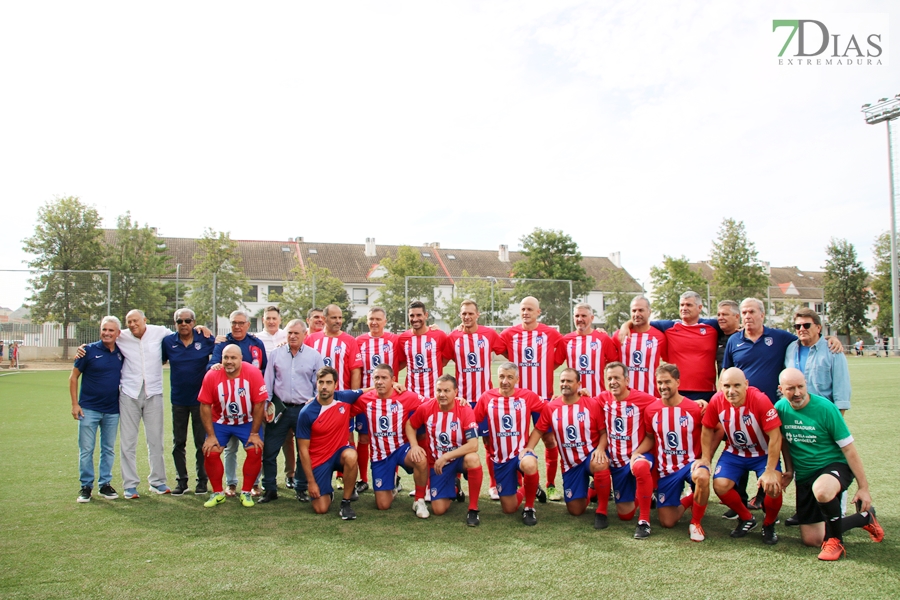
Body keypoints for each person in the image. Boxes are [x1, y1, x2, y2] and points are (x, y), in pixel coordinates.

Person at [775, 368, 884, 560]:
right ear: (781, 389)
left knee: (822, 489)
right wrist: (790, 470)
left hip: (834, 466)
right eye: (791, 388)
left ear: (806, 385)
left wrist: (863, 487)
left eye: (801, 386)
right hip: (805, 475)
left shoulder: (826, 408)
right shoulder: (781, 409)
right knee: (813, 540)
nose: (798, 392)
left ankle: (835, 542)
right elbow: (784, 442)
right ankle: (864, 517)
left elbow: (849, 449)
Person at [696, 367, 783, 545]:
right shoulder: (717, 400)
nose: (731, 391)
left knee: (773, 486)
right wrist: (706, 458)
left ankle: (769, 523)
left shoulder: (760, 399)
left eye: (737, 385)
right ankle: (746, 518)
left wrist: (770, 470)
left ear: (746, 385)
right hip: (735, 452)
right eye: (726, 386)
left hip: (762, 453)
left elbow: (775, 436)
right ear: (721, 386)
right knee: (720, 486)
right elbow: (707, 428)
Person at [632, 364, 710, 541]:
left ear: (678, 382)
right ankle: (692, 497)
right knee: (668, 521)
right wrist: (636, 453)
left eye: (667, 382)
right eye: (659, 382)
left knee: (703, 478)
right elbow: (650, 438)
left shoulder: (695, 408)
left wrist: (706, 457)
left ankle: (696, 522)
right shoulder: (651, 410)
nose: (663, 386)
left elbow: (716, 430)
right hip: (666, 469)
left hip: (690, 464)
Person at [523, 368, 607, 528]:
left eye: (569, 381)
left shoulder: (591, 403)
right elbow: (539, 430)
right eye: (562, 381)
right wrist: (529, 448)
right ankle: (592, 490)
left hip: (590, 457)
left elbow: (604, 432)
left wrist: (601, 449)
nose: (565, 384)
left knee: (600, 463)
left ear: (579, 384)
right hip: (571, 465)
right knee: (576, 510)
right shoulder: (551, 407)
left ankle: (602, 510)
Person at [499, 296, 563, 501]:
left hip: (542, 399)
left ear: (538, 312)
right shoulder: (509, 334)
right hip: (516, 400)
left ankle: (551, 485)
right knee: (514, 441)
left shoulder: (551, 334)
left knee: (549, 439)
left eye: (529, 309)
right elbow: (497, 347)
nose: (525, 312)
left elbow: (559, 357)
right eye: (523, 309)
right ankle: (519, 483)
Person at [442, 299, 507, 500]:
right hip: (461, 400)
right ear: (460, 316)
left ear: (477, 314)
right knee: (458, 442)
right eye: (464, 314)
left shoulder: (489, 334)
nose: (467, 317)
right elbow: (442, 360)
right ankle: (456, 485)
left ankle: (494, 485)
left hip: (485, 400)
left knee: (489, 441)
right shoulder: (453, 337)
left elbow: (507, 351)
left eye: (471, 313)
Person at [258, 319, 325, 504]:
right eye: (289, 333)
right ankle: (270, 488)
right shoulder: (276, 354)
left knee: (304, 451)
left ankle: (301, 487)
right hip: (280, 409)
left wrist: (314, 407)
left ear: (305, 334)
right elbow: (268, 383)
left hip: (304, 409)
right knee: (270, 450)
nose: (293, 336)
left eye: (296, 333)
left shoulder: (314, 356)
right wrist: (266, 408)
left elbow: (318, 385)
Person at [406, 374, 483, 526]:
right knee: (438, 509)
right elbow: (410, 424)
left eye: (447, 391)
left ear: (456, 392)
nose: (442, 394)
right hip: (438, 465)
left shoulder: (465, 410)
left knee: (473, 459)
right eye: (439, 390)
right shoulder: (427, 408)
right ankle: (454, 487)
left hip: (457, 460)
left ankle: (473, 508)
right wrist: (415, 445)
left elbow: (473, 445)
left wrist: (447, 456)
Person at [474, 362, 544, 526]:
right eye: (502, 377)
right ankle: (530, 488)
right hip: (500, 459)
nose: (505, 381)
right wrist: (459, 403)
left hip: (521, 454)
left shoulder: (527, 396)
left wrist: (530, 446)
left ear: (517, 379)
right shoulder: (487, 398)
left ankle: (529, 507)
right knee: (509, 508)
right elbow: (472, 420)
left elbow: (548, 412)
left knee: (530, 463)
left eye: (510, 377)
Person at [593, 361, 658, 538]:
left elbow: (666, 403)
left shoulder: (643, 398)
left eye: (617, 378)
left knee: (641, 467)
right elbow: (584, 403)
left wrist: (697, 402)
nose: (613, 382)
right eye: (609, 378)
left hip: (638, 456)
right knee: (624, 514)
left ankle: (644, 520)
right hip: (617, 461)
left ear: (627, 380)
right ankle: (642, 494)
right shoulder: (603, 398)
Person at [198, 344, 268, 508]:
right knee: (210, 450)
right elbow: (204, 405)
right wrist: (211, 435)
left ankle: (246, 491)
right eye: (226, 358)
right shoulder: (212, 375)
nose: (229, 361)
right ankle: (217, 493)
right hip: (221, 421)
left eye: (233, 358)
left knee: (255, 448)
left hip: (246, 421)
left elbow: (259, 403)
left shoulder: (252, 373)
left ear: (241, 359)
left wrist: (255, 433)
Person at [209, 309, 268, 497]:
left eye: (241, 323)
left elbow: (264, 368)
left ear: (247, 325)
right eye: (234, 322)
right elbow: (212, 365)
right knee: (230, 448)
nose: (237, 326)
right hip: (225, 407)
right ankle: (231, 483)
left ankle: (254, 484)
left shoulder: (256, 344)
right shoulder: (222, 343)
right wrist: (215, 366)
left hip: (251, 408)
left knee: (255, 446)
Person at [356, 364, 428, 513]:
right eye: (376, 378)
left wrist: (459, 400)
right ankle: (392, 483)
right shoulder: (364, 400)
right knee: (383, 505)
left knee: (421, 459)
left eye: (384, 378)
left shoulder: (406, 396)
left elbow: (433, 403)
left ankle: (419, 500)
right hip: (380, 456)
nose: (380, 381)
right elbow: (342, 404)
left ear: (393, 380)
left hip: (402, 449)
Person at [296, 366, 366, 519]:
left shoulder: (344, 397)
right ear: (317, 384)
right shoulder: (306, 412)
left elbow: (368, 391)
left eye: (328, 382)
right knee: (321, 508)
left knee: (351, 455)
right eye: (321, 382)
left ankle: (346, 502)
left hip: (340, 452)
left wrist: (394, 385)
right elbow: (303, 451)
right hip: (319, 459)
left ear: (335, 385)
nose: (324, 386)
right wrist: (311, 482)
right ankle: (327, 491)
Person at [69, 316, 124, 503]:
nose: (107, 333)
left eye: (111, 330)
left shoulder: (121, 352)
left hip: (112, 410)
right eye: (104, 329)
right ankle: (86, 486)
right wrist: (75, 404)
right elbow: (73, 377)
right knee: (86, 449)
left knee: (108, 449)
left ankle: (105, 484)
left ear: (118, 333)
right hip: (89, 409)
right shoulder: (87, 351)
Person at [161, 308, 216, 495]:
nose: (183, 324)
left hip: (200, 401)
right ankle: (181, 481)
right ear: (174, 323)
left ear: (193, 322)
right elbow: (156, 360)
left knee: (202, 442)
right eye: (179, 321)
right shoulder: (168, 342)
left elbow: (221, 347)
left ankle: (202, 481)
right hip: (178, 400)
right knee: (179, 442)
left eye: (187, 320)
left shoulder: (205, 339)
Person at [355, 306, 400, 493]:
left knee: (391, 438)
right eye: (371, 319)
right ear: (367, 321)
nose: (374, 322)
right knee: (364, 437)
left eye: (378, 319)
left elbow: (405, 359)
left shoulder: (394, 340)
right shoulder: (359, 341)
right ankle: (363, 479)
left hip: (390, 399)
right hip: (367, 399)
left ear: (385, 321)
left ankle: (394, 478)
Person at [254, 305, 295, 490]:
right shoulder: (255, 339)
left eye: (274, 318)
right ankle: (264, 478)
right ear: (263, 319)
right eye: (268, 318)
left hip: (282, 396)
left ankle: (290, 474)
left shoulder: (287, 336)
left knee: (288, 439)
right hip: (263, 394)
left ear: (280, 320)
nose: (271, 321)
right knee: (265, 437)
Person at [784, 308, 851, 414]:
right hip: (794, 416)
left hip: (822, 415)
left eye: (806, 325)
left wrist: (837, 421)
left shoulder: (833, 350)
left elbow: (841, 390)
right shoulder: (790, 349)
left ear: (818, 328)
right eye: (797, 326)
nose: (801, 329)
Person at [560, 303, 619, 397]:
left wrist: (600, 364)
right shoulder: (566, 340)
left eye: (583, 316)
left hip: (598, 397)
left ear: (592, 318)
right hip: (573, 397)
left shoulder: (603, 338)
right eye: (577, 316)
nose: (580, 319)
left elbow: (615, 364)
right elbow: (555, 362)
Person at [617, 296, 667, 397]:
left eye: (641, 310)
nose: (637, 314)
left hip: (651, 396)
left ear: (649, 311)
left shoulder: (660, 337)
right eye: (634, 310)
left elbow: (668, 359)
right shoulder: (620, 335)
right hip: (625, 397)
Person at [397, 301, 448, 398]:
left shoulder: (439, 335)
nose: (415, 319)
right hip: (411, 395)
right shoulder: (402, 338)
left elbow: (445, 359)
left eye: (419, 315)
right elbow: (402, 362)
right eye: (412, 315)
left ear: (426, 315)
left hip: (435, 396)